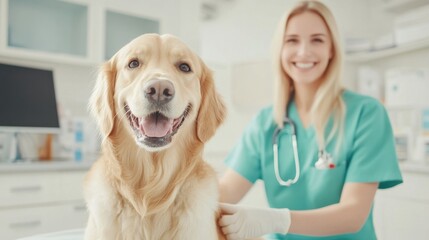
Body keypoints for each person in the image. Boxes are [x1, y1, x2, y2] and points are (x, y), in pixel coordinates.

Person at [217, 1, 403, 240]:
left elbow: (353, 214)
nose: (303, 51)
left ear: (332, 49)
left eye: (317, 40)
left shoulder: (366, 114)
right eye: (292, 40)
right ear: (280, 50)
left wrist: (276, 220)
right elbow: (226, 192)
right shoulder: (265, 123)